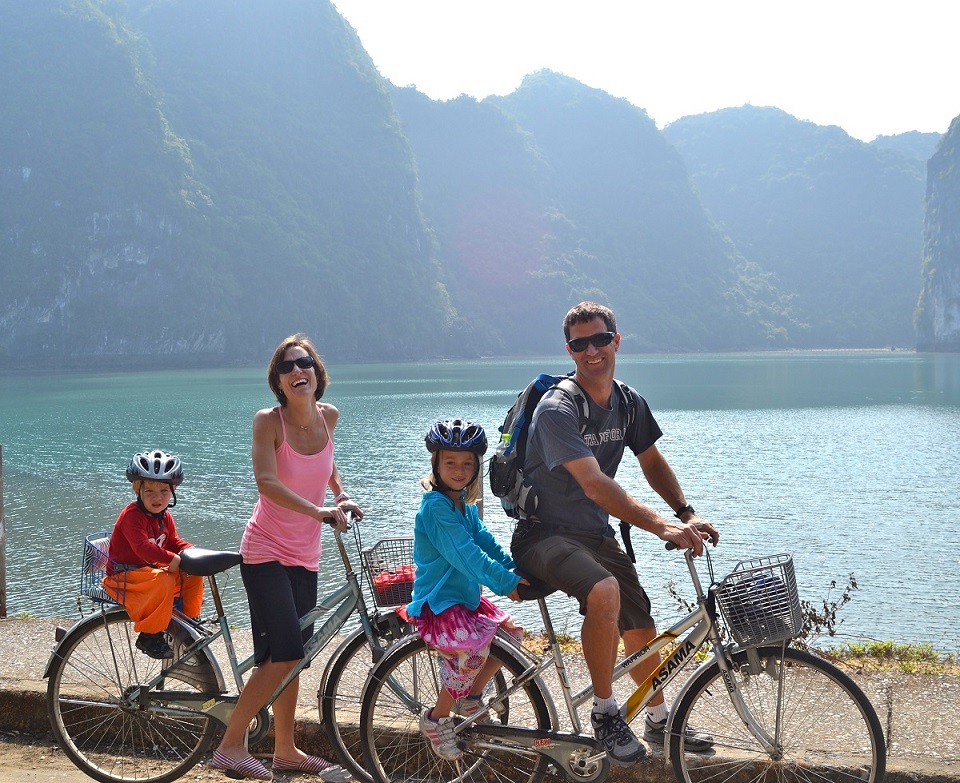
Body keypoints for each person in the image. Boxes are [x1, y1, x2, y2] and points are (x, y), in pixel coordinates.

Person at [510, 301, 720, 766]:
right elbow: (595, 484)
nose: (592, 351)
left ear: (616, 341)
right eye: (579, 344)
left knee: (639, 621)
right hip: (543, 536)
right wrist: (663, 526)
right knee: (606, 593)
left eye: (600, 339)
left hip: (594, 534)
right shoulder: (557, 408)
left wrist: (685, 511)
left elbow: (651, 460)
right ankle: (605, 715)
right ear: (569, 350)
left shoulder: (627, 401)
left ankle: (660, 721)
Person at [210, 334, 362, 782]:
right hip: (265, 550)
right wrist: (318, 510)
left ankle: (286, 750)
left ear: (317, 373)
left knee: (293, 656)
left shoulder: (328, 417)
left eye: (306, 363)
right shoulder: (268, 422)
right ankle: (230, 747)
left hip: (306, 553)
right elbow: (267, 482)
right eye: (288, 367)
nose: (299, 371)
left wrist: (341, 493)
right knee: (283, 652)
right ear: (278, 382)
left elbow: (326, 463)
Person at [403, 419, 527, 762]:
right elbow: (465, 555)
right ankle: (436, 718)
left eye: (467, 463)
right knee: (471, 652)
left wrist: (516, 568)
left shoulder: (463, 506)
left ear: (476, 467)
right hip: (441, 602)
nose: (459, 470)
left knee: (511, 636)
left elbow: (485, 543)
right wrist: (505, 583)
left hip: (465, 599)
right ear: (436, 465)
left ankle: (470, 697)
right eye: (450, 463)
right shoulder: (435, 508)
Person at [102, 450, 204, 660]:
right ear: (137, 490)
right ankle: (149, 635)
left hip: (147, 574)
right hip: (124, 577)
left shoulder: (165, 517)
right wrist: (173, 559)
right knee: (164, 579)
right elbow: (142, 548)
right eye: (149, 491)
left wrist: (191, 552)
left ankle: (187, 623)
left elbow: (173, 541)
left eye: (164, 491)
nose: (157, 497)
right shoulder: (132, 516)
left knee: (193, 574)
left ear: (173, 491)